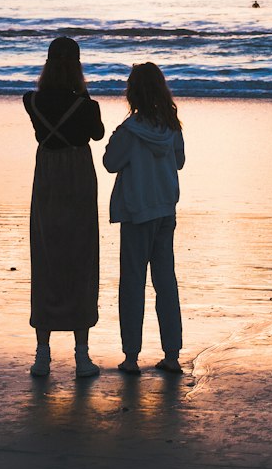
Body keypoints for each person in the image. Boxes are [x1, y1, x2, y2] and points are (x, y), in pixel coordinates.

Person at [23, 36, 104, 378]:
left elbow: (43, 131)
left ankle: (42, 354)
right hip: (78, 177)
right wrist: (83, 95)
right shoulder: (87, 105)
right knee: (80, 259)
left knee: (46, 257)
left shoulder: (32, 101)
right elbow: (97, 134)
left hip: (47, 178)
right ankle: (81, 356)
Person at [102, 61, 186, 374]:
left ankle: (131, 356)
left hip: (137, 212)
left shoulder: (130, 131)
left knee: (133, 283)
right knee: (166, 281)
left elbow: (110, 162)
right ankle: (172, 353)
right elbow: (179, 162)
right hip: (165, 209)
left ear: (132, 93)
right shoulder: (171, 127)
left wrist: (117, 138)